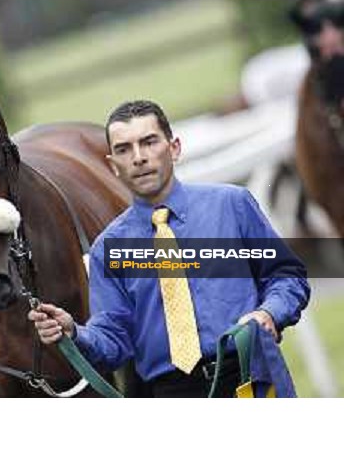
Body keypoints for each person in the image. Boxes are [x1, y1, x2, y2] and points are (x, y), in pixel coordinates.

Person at [28, 100, 310, 398]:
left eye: (149, 142)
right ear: (113, 166)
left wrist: (269, 312)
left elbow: (287, 277)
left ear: (174, 148)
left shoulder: (231, 206)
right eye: (124, 149)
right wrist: (74, 333)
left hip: (249, 375)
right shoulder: (107, 250)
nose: (139, 158)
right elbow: (113, 340)